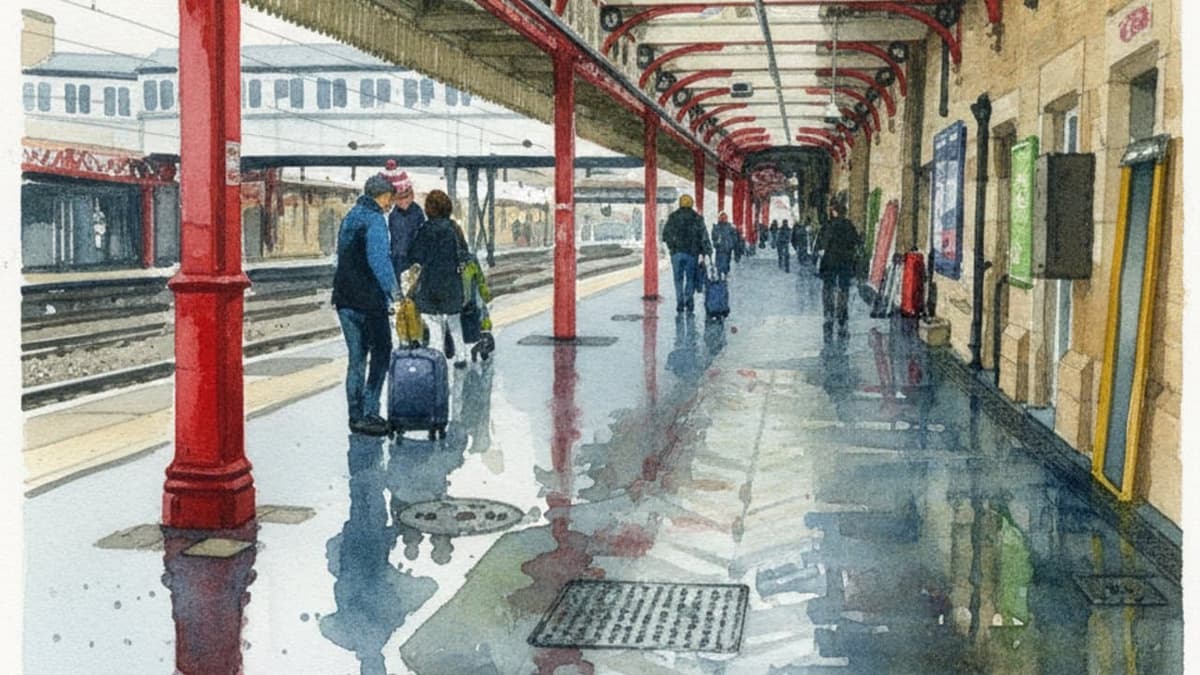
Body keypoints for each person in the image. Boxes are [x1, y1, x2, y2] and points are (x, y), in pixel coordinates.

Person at [332, 173, 399, 436]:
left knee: (356, 359)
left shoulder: (350, 217)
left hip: (345, 300)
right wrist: (395, 293)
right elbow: (379, 261)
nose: (390, 204)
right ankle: (370, 411)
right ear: (382, 196)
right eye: (389, 199)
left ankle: (355, 416)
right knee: (382, 353)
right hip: (369, 302)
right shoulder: (375, 220)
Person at [407, 189, 472, 368]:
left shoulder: (425, 230)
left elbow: (415, 256)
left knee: (434, 323)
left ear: (429, 209)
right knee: (454, 321)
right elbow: (464, 253)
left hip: (430, 283)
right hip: (452, 282)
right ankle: (461, 357)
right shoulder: (454, 228)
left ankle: (438, 358)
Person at [816, 198, 863, 342]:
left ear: (834, 211)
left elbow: (820, 243)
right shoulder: (849, 225)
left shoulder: (828, 225)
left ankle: (829, 312)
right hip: (845, 261)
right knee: (843, 288)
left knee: (828, 288)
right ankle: (842, 314)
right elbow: (856, 242)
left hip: (830, 261)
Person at [661, 194, 711, 314]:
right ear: (691, 204)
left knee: (678, 279)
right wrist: (706, 251)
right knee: (690, 278)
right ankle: (689, 301)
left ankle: (680, 302)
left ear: (680, 203)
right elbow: (703, 236)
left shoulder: (673, 217)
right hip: (691, 254)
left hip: (676, 254)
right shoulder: (697, 218)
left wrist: (672, 246)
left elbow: (665, 235)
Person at [382, 161, 425, 293]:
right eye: (399, 199)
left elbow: (420, 237)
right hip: (397, 259)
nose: (403, 201)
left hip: (412, 259)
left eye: (406, 197)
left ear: (411, 195)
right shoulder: (393, 214)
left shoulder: (417, 212)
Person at [710, 211, 737, 277]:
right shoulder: (717, 227)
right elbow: (713, 237)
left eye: (724, 218)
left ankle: (724, 273)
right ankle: (721, 273)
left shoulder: (729, 227)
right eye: (722, 218)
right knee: (720, 261)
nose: (723, 219)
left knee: (725, 261)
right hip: (721, 247)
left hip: (726, 247)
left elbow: (734, 236)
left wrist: (732, 244)